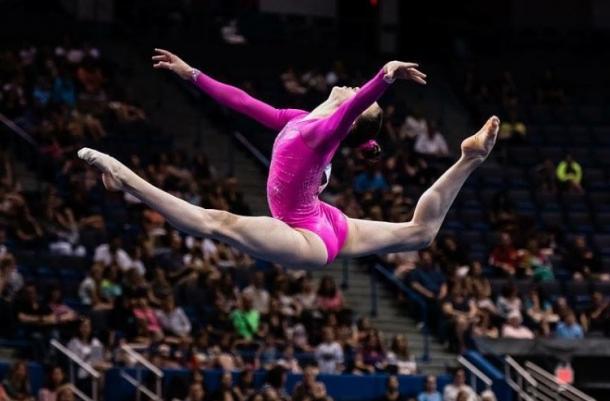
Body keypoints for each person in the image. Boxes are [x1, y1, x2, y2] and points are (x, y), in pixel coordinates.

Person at [79, 49, 499, 269]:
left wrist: (384, 78)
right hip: (328, 221)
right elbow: (242, 103)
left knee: (216, 223)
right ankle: (469, 159)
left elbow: (355, 110)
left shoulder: (322, 132)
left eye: (356, 97)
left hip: (307, 238)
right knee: (420, 233)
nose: (352, 90)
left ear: (347, 117)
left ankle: (123, 176)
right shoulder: (299, 119)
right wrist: (191, 74)